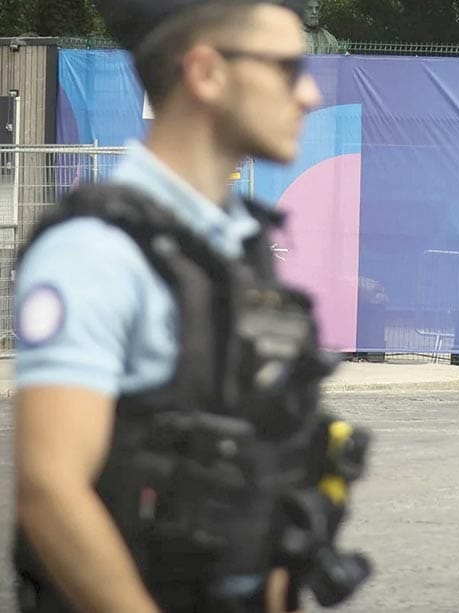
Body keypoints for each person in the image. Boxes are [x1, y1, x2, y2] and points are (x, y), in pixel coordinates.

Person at [12, 1, 369, 612]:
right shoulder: (97, 251)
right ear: (205, 73)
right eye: (285, 67)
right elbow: (50, 489)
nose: (308, 94)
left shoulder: (237, 248)